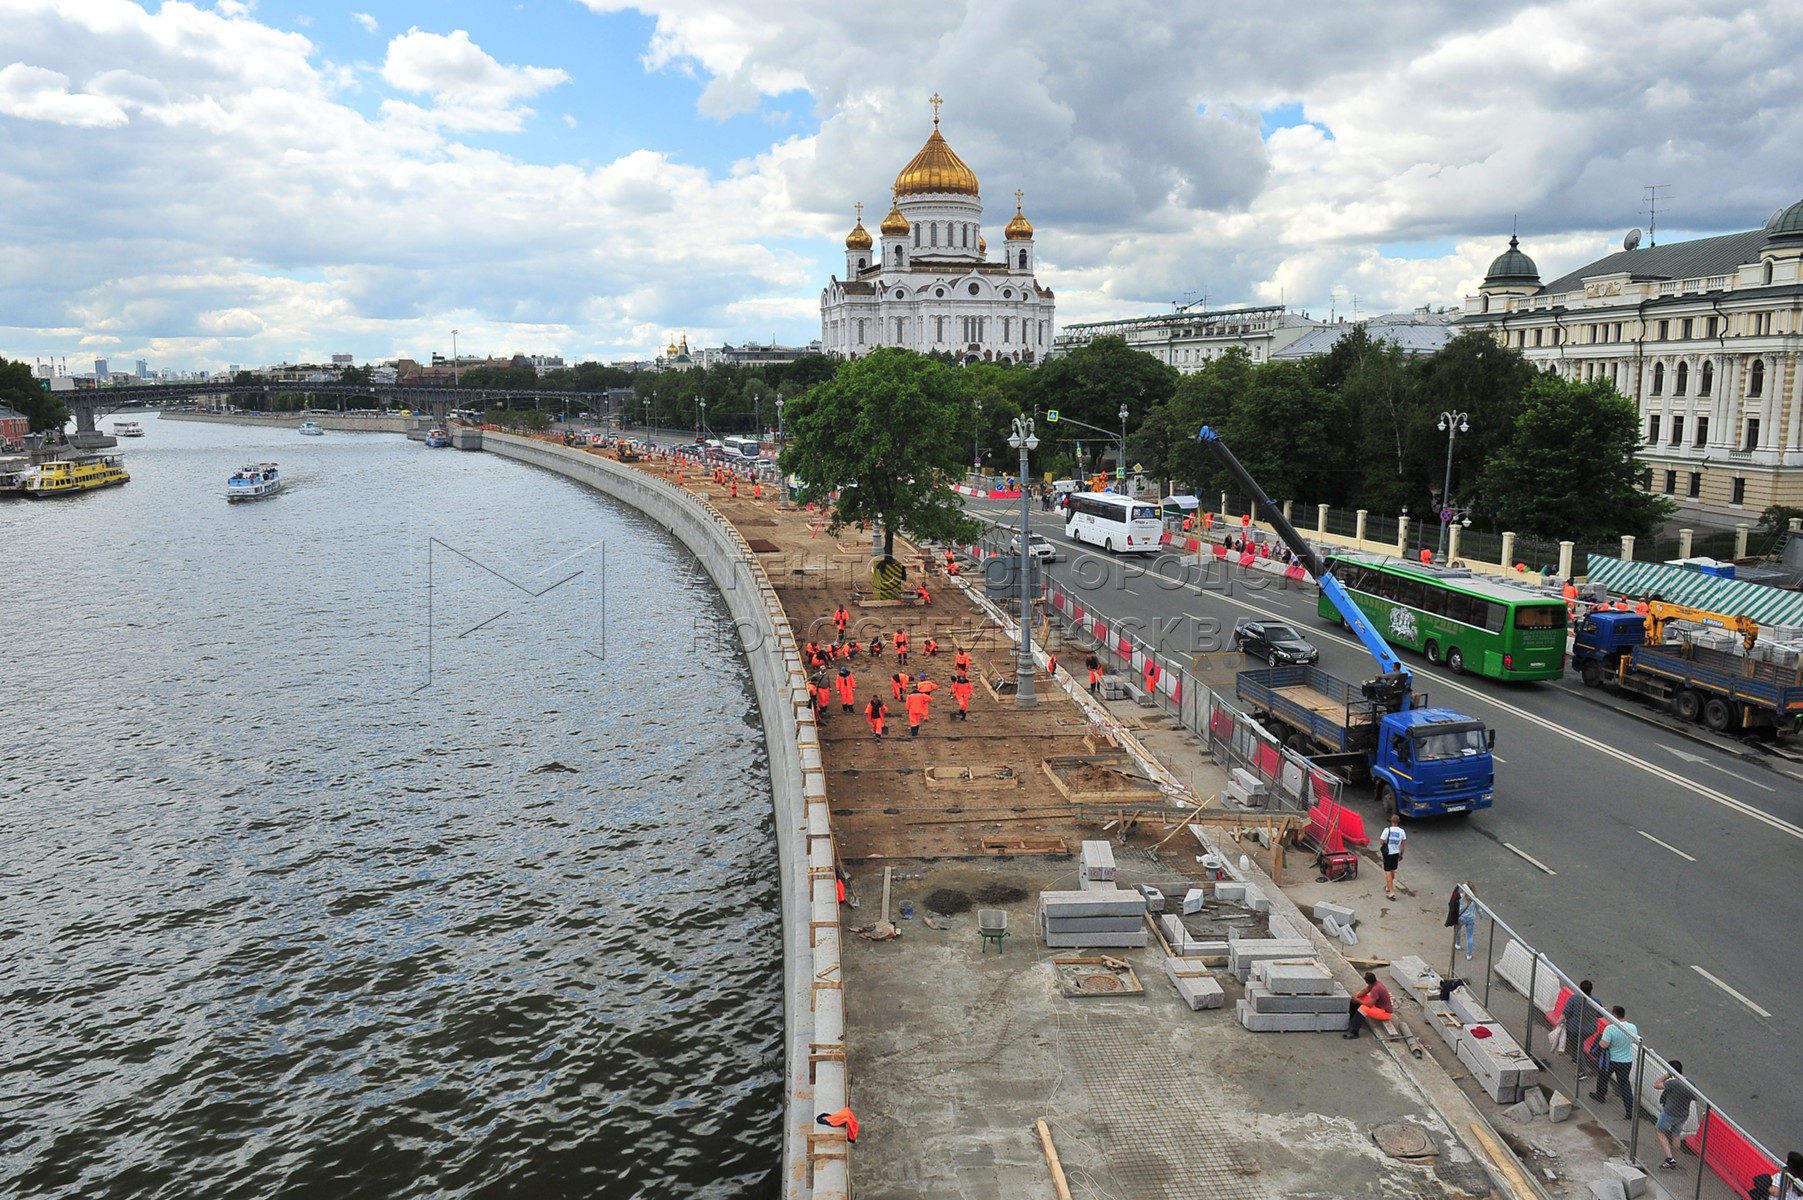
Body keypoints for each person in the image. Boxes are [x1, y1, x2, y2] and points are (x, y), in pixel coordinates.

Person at [1591, 1004, 1639, 1119]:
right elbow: (1634, 1040)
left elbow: (1604, 1044)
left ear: (1614, 1015)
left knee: (1603, 1077)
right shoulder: (1632, 1027)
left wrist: (1600, 1041)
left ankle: (1600, 1095)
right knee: (1624, 1084)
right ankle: (1629, 1109)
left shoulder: (1610, 1029)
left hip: (1611, 1060)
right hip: (1626, 1061)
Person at [1654, 1061, 1696, 1170]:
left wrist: (1667, 1075)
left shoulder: (1674, 1083)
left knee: (1660, 1131)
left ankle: (1669, 1158)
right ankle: (1674, 1159)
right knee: (1676, 1135)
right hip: (1683, 1115)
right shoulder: (1690, 1083)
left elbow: (1656, 1085)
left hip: (1669, 1113)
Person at [1561, 980, 1597, 1073]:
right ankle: (1575, 1058)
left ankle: (1582, 1070)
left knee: (1577, 1046)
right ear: (1591, 989)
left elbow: (1566, 1013)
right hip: (1590, 1029)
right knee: (1577, 1043)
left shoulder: (1574, 998)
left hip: (1574, 1028)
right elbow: (1600, 1014)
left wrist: (1559, 1023)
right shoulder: (1596, 1001)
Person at [1344, 972, 1393, 1039]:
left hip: (1385, 1012)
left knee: (1363, 1009)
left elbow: (1369, 1005)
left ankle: (1354, 1032)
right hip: (1378, 1005)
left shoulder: (1375, 990)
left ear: (1367, 981)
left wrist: (1357, 1000)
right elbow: (1365, 990)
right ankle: (1352, 1017)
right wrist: (1356, 997)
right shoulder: (1375, 984)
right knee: (1359, 995)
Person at [1378, 814, 1406, 901]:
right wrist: (1401, 854)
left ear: (1391, 821)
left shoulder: (1387, 830)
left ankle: (1391, 891)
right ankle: (1388, 886)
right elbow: (1403, 844)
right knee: (1393, 870)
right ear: (1398, 822)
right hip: (1396, 853)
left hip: (1388, 853)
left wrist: (1385, 844)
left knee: (1387, 872)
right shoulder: (1402, 831)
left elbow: (1381, 842)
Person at [1455, 882, 1479, 960]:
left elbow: (1458, 907)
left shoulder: (1461, 897)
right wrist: (1481, 915)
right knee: (1470, 936)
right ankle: (1469, 954)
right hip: (1470, 919)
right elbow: (1478, 909)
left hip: (1461, 917)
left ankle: (1458, 944)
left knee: (1458, 930)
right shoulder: (1474, 899)